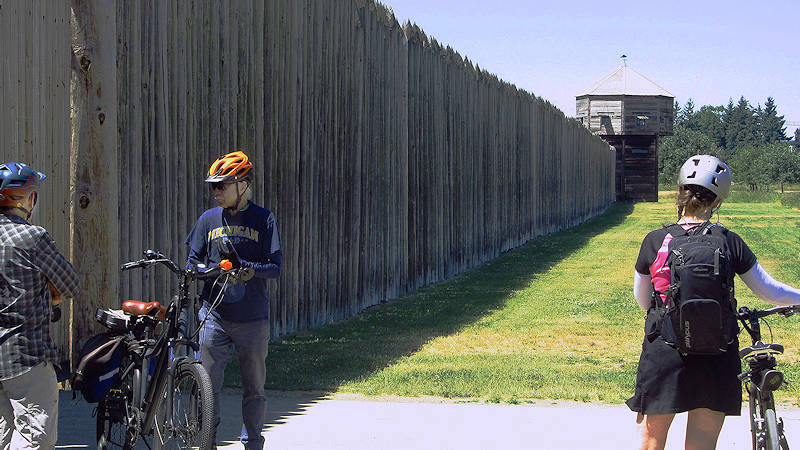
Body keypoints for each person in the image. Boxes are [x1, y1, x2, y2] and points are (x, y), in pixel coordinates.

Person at [627, 154, 800, 450]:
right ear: (718, 201)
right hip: (717, 351)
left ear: (680, 192)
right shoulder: (729, 240)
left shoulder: (655, 240)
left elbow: (642, 300)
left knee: (651, 443)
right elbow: (767, 289)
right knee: (702, 444)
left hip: (664, 352)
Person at [185, 151, 281, 449]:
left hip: (252, 319)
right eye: (213, 186)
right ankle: (207, 444)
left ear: (242, 185)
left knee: (254, 389)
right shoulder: (207, 219)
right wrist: (203, 270)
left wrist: (249, 271)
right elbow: (192, 261)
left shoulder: (263, 218)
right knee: (207, 388)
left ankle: (252, 443)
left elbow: (275, 267)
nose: (216, 191)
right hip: (214, 316)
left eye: (222, 185)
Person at [0, 162, 78, 448]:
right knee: (36, 438)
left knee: (4, 437)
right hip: (26, 353)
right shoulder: (32, 237)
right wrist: (49, 293)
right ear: (27, 198)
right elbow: (69, 283)